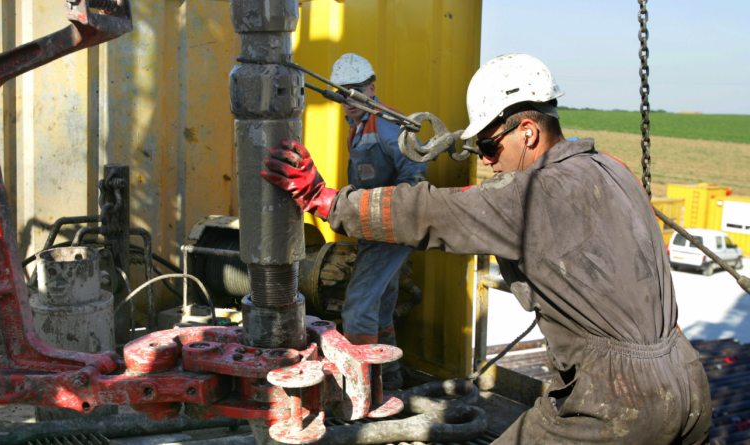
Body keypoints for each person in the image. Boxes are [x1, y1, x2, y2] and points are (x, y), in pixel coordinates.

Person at [262, 54, 711, 444]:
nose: (486, 160)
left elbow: (430, 211)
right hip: (688, 381)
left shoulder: (533, 195)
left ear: (529, 132)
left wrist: (325, 200)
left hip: (618, 400)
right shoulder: (611, 169)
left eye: (490, 145)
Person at [326, 53, 428, 390]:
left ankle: (361, 387)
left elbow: (414, 176)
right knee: (382, 305)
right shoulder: (358, 127)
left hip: (390, 230)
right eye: (341, 92)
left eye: (355, 90)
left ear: (371, 89)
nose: (347, 99)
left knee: (358, 307)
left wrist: (395, 219)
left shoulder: (388, 125)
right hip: (372, 228)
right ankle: (390, 380)